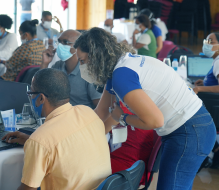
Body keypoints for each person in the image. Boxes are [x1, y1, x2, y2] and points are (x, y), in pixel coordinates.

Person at [74, 27, 216, 189]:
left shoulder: (122, 75)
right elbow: (100, 114)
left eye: (82, 61)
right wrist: (77, 137)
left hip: (189, 130)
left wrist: (122, 118)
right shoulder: (119, 68)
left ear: (95, 57)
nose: (81, 67)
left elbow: (154, 120)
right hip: (191, 127)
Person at [2, 68, 111, 190]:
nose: (30, 98)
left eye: (31, 94)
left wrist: (36, 143)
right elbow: (71, 145)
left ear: (41, 98)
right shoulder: (88, 113)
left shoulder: (40, 140)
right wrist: (31, 140)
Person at [40, 30, 101, 109]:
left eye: (65, 42)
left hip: (82, 118)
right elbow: (40, 91)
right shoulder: (58, 66)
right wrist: (45, 63)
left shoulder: (88, 71)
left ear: (79, 46)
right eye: (59, 42)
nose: (60, 46)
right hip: (62, 116)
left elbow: (99, 108)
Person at [0, 19, 44, 88]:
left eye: (21, 34)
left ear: (26, 35)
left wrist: (1, 61)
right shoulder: (42, 45)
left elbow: (10, 64)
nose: (21, 37)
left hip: (10, 81)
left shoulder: (25, 48)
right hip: (26, 84)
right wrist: (0, 60)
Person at [193, 32, 219, 169]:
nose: (206, 45)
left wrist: (199, 90)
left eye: (211, 42)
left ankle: (213, 147)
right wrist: (205, 83)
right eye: (206, 41)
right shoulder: (216, 60)